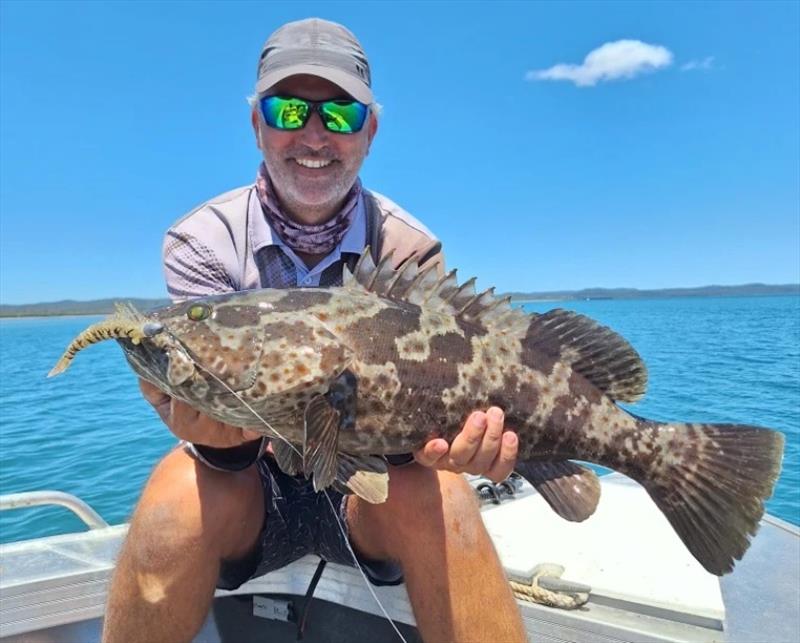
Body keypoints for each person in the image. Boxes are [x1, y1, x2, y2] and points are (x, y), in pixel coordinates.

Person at [103, 18, 527, 643]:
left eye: (339, 116)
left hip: (374, 476)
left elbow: (412, 438)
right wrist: (207, 424)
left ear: (369, 131)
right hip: (249, 476)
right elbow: (223, 420)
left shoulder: (409, 249)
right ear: (257, 124)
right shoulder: (202, 243)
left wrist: (464, 448)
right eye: (289, 108)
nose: (312, 134)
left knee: (450, 505)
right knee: (171, 508)